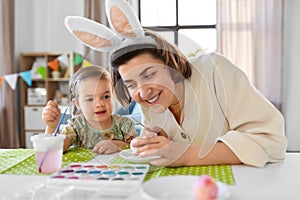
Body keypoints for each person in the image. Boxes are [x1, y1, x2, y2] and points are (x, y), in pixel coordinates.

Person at [64, 0, 287, 167]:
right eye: (131, 84)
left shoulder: (215, 70)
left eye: (149, 74)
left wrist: (185, 155)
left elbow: (271, 141)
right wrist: (153, 142)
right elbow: (168, 142)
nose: (142, 91)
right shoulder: (149, 101)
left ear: (171, 63)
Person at [42, 66, 138, 154]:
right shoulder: (76, 126)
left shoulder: (125, 125)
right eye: (90, 99)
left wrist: (120, 145)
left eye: (106, 96)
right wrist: (52, 126)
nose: (99, 104)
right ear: (78, 104)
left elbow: (139, 149)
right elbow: (55, 149)